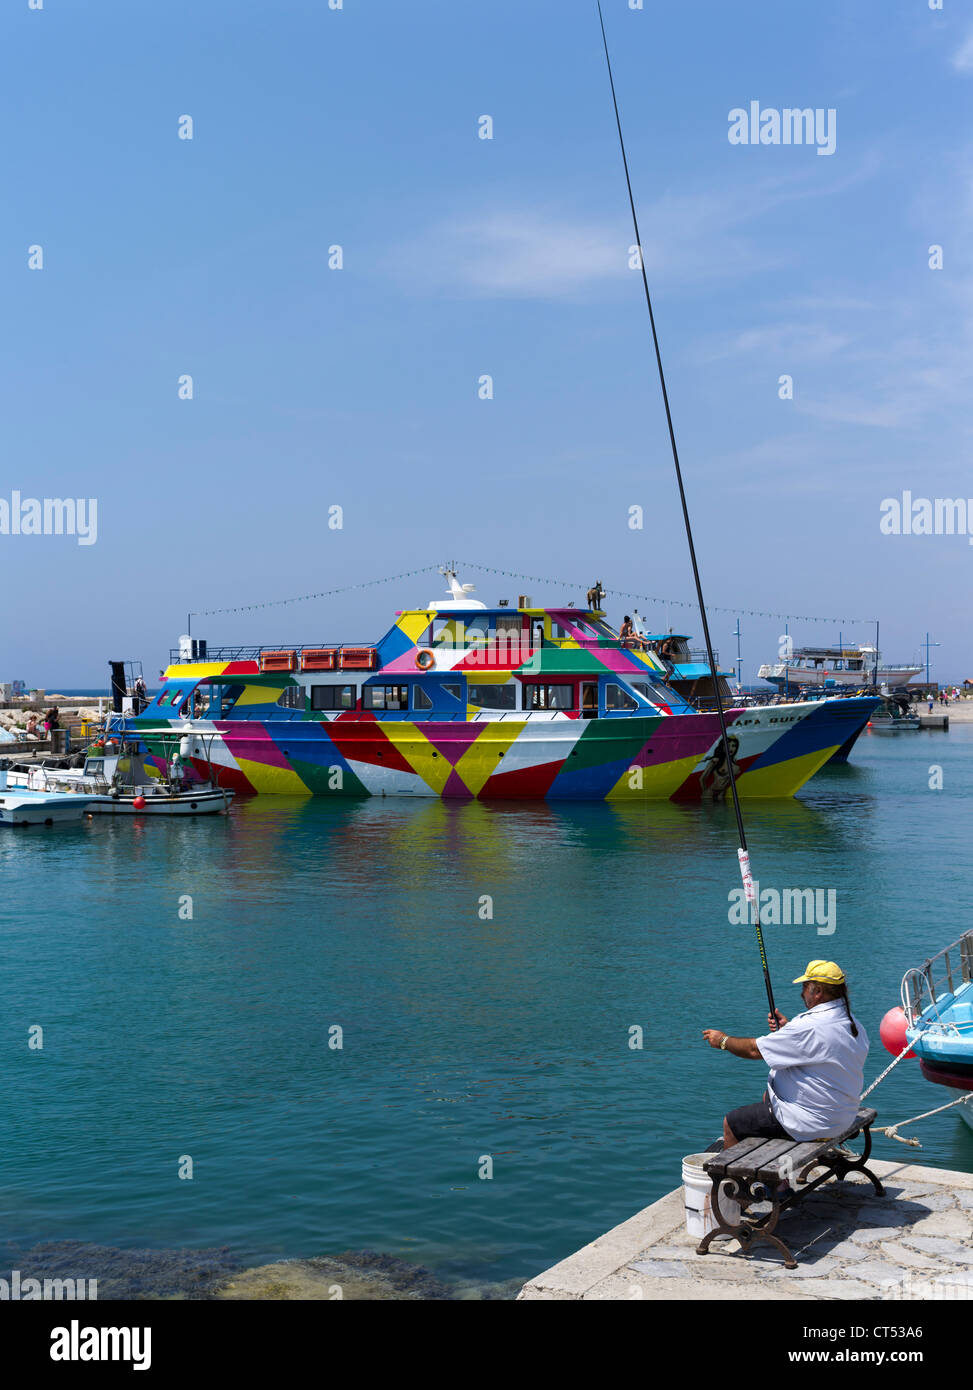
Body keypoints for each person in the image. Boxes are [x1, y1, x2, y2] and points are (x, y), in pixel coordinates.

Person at [701, 960, 869, 1148]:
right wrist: (788, 1030)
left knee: (733, 1123)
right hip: (842, 1115)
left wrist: (723, 1040)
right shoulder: (853, 1023)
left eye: (805, 986)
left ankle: (730, 1176)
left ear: (818, 992)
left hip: (814, 1122)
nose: (802, 992)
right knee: (767, 1098)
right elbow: (824, 1050)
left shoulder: (810, 1026)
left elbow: (754, 1049)